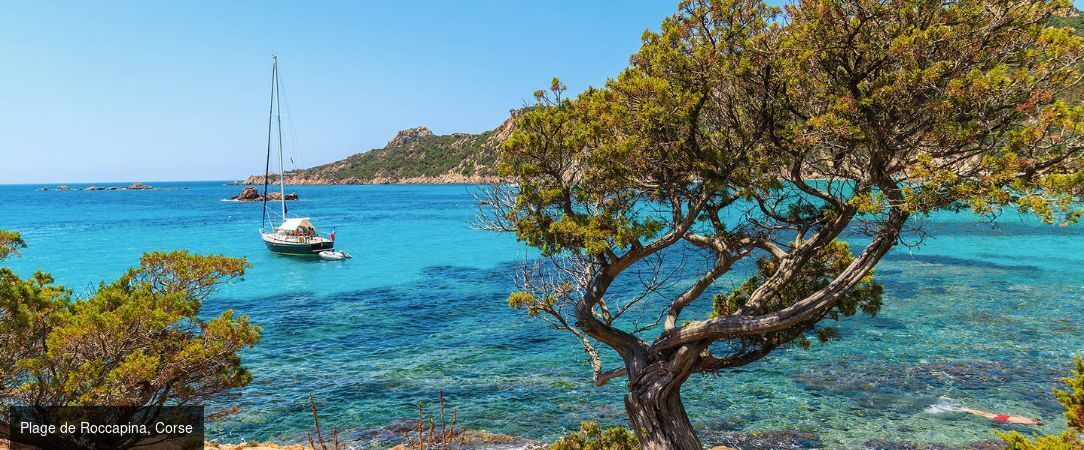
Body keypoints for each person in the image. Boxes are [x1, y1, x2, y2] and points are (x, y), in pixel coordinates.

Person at [960, 407, 1044, 426]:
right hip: (1003, 419)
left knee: (985, 413)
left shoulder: (1027, 419)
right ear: (1035, 422)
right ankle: (969, 411)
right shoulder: (1028, 422)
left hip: (1005, 416)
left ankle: (969, 409)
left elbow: (1018, 416)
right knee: (984, 416)